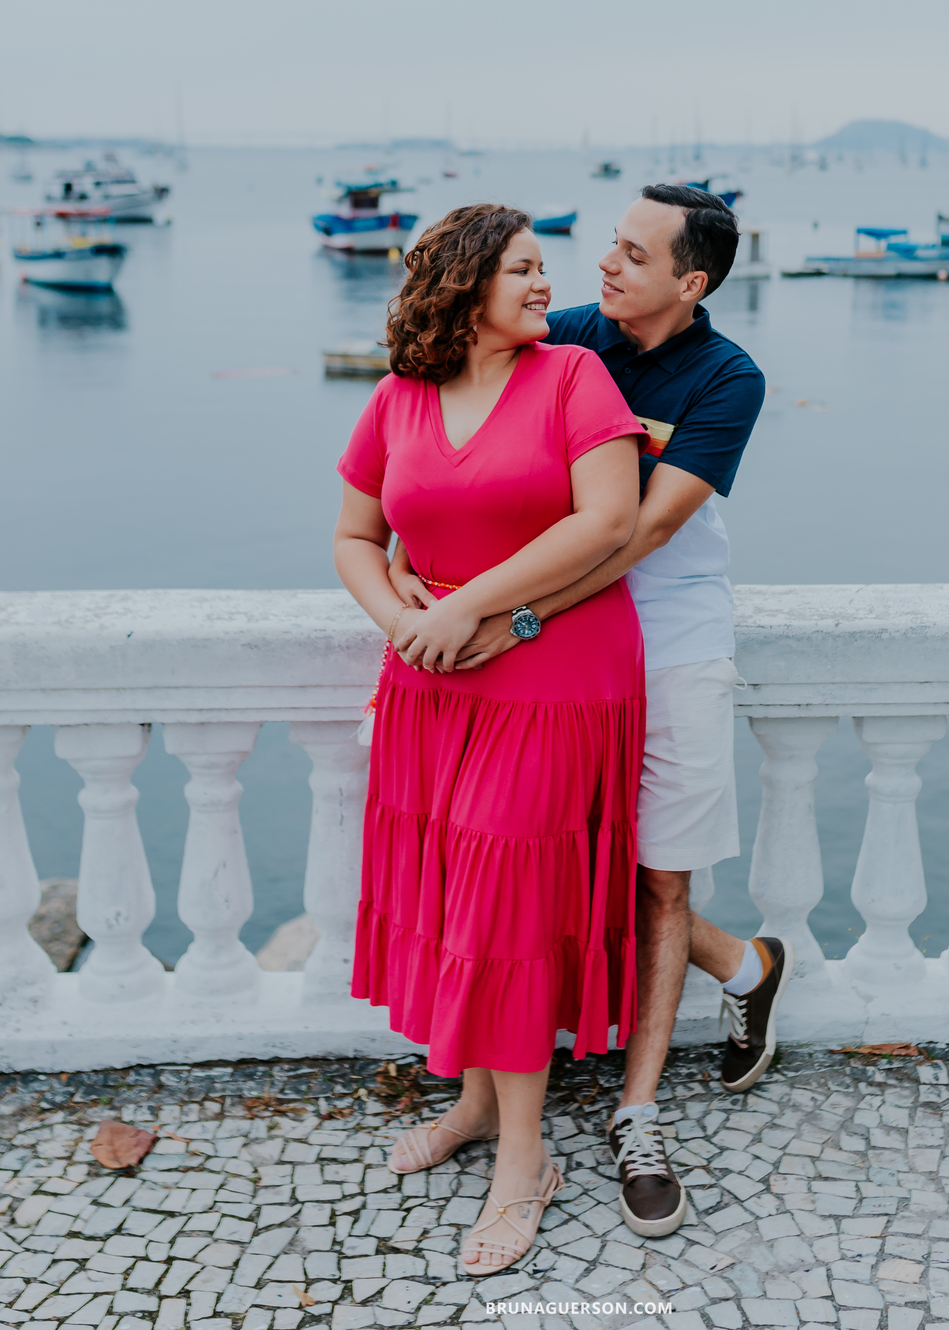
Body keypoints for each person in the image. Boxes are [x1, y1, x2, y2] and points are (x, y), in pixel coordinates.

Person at [390, 184, 785, 1239]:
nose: (600, 267)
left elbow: (634, 536)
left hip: (669, 635)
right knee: (550, 863)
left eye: (632, 255)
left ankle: (637, 1110)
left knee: (658, 876)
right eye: (606, 245)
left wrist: (501, 620)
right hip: (560, 639)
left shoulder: (726, 378)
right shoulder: (569, 337)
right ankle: (742, 965)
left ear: (689, 282)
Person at [333, 203, 648, 1277]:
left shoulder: (572, 379)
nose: (543, 284)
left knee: (506, 905)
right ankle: (472, 1102)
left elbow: (605, 520)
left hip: (555, 667)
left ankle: (526, 1161)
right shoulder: (397, 397)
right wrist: (405, 623)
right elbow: (354, 535)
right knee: (455, 895)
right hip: (434, 678)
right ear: (465, 284)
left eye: (542, 267)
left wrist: (468, 608)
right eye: (521, 268)